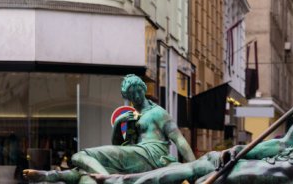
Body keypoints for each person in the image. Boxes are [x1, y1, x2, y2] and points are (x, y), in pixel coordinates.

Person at [95, 29, 293, 184]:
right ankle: (122, 181)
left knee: (233, 176)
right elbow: (286, 141)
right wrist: (242, 150)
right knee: (216, 160)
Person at [24, 75, 194, 184]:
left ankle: (107, 180)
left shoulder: (157, 112)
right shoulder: (131, 116)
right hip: (133, 156)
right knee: (84, 175)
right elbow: (118, 145)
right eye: (131, 93)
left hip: (150, 155)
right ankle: (55, 176)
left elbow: (179, 139)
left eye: (138, 91)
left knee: (80, 156)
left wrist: (194, 166)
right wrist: (120, 123)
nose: (136, 96)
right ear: (127, 96)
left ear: (143, 89)